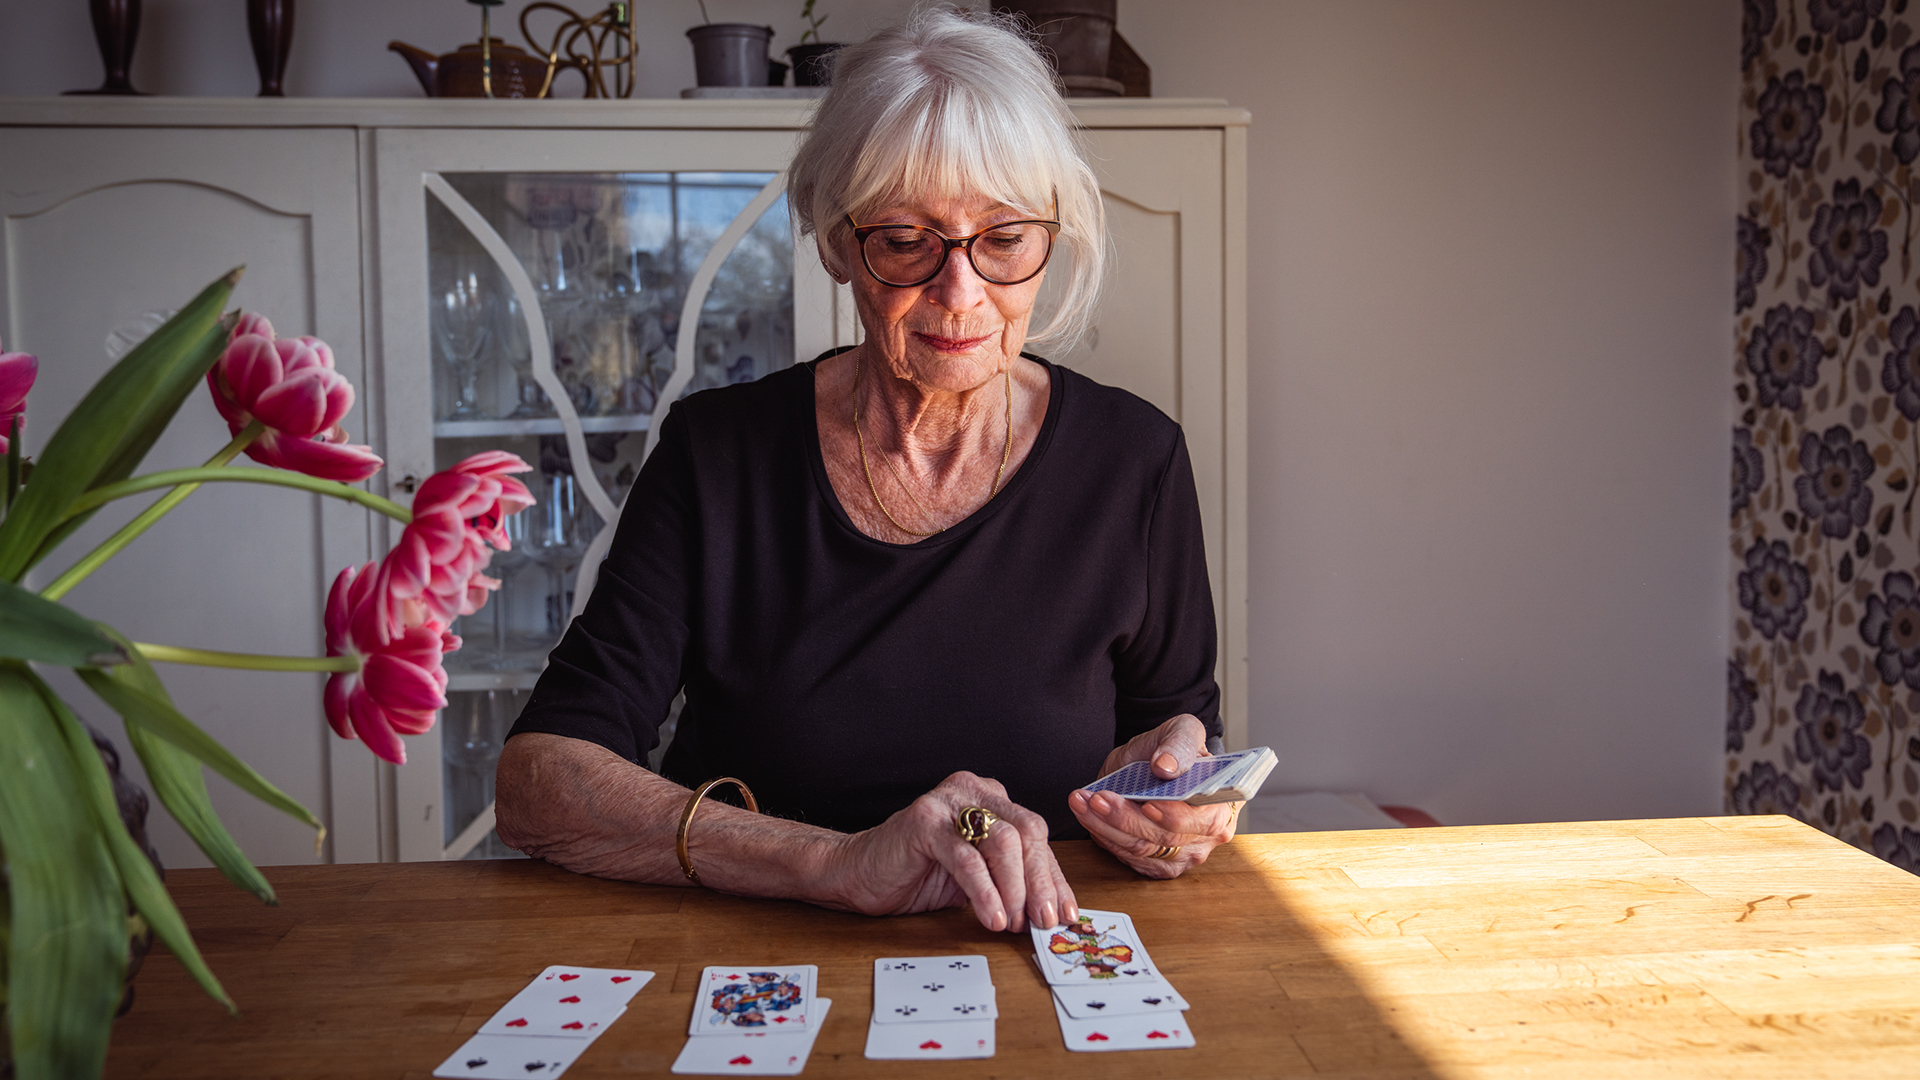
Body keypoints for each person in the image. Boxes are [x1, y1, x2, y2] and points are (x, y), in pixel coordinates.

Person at [495, 8, 1238, 934]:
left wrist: (1177, 789)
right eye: (905, 242)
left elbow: (1176, 730)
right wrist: (836, 864)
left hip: (1037, 952)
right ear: (839, 242)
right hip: (759, 959)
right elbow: (539, 780)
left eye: (1003, 239)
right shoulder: (718, 454)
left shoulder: (1137, 460)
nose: (961, 295)